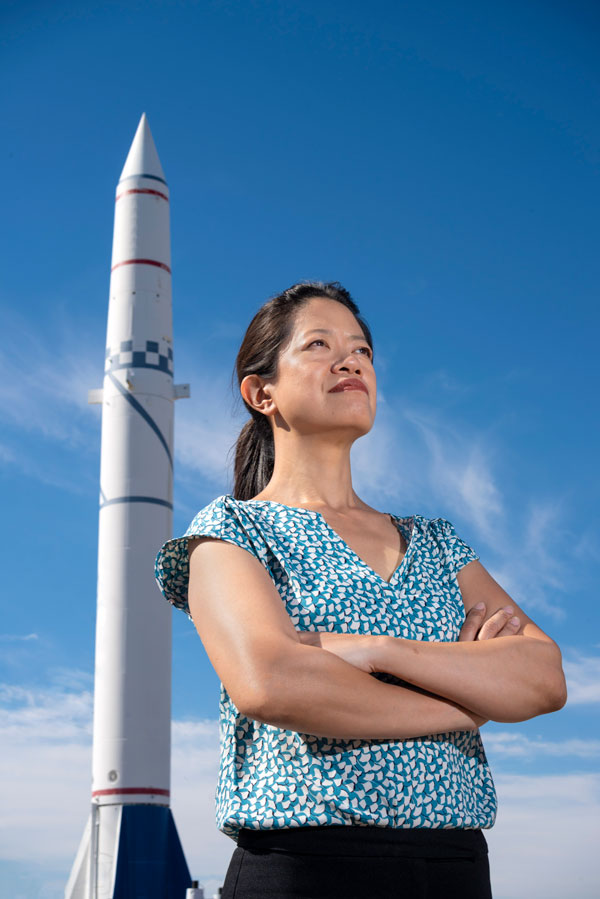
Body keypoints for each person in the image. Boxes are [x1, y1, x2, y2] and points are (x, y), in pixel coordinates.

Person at [155, 281, 567, 899]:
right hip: (305, 868)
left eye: (363, 351)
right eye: (319, 344)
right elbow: (273, 683)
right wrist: (466, 704)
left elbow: (542, 677)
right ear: (260, 392)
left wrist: (380, 653)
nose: (351, 360)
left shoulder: (437, 541)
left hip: (455, 869)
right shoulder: (231, 531)